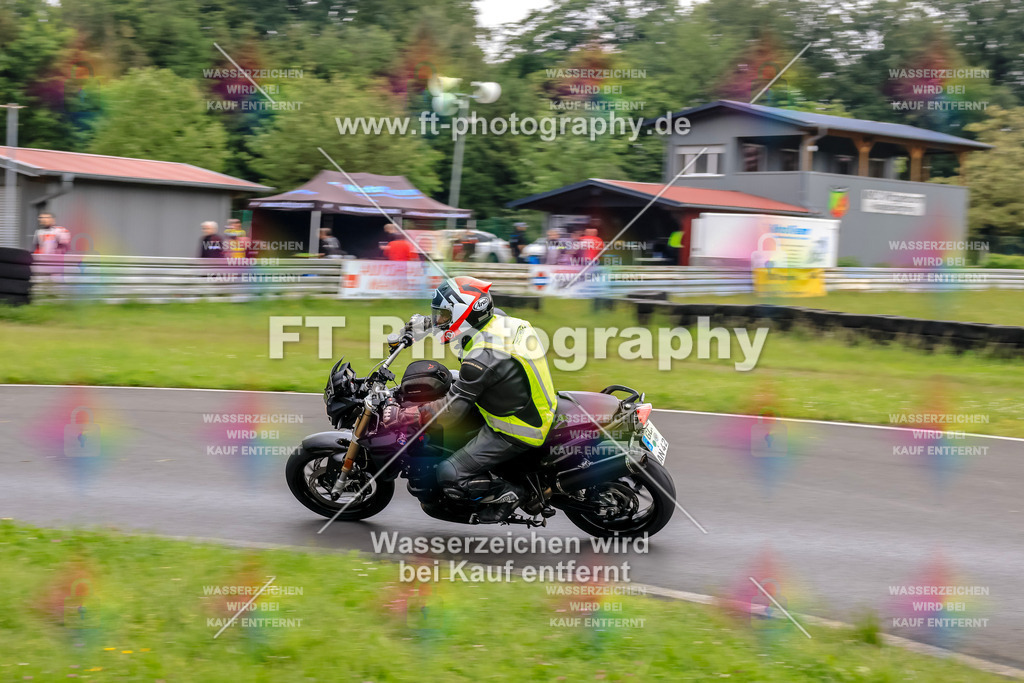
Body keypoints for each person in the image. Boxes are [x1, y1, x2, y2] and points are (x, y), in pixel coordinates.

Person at [411, 276, 557, 524]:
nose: (439, 320)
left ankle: (512, 495)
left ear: (464, 314)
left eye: (444, 315)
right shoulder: (497, 321)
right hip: (525, 400)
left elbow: (451, 412)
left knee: (449, 473)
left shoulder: (481, 359)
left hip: (518, 426)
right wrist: (420, 325)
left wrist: (414, 414)